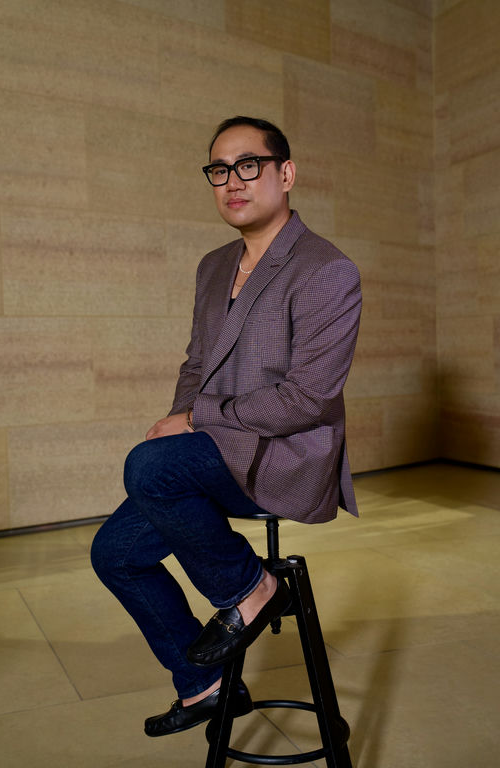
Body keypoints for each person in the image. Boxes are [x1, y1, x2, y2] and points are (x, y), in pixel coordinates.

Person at [91, 116, 361, 738]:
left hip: (284, 457)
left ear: (285, 174)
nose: (232, 181)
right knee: (115, 555)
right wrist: (185, 427)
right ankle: (207, 686)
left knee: (148, 467)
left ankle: (250, 587)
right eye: (219, 170)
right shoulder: (214, 266)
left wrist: (196, 419)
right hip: (217, 451)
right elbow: (197, 364)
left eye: (248, 165)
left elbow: (309, 399)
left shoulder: (326, 268)